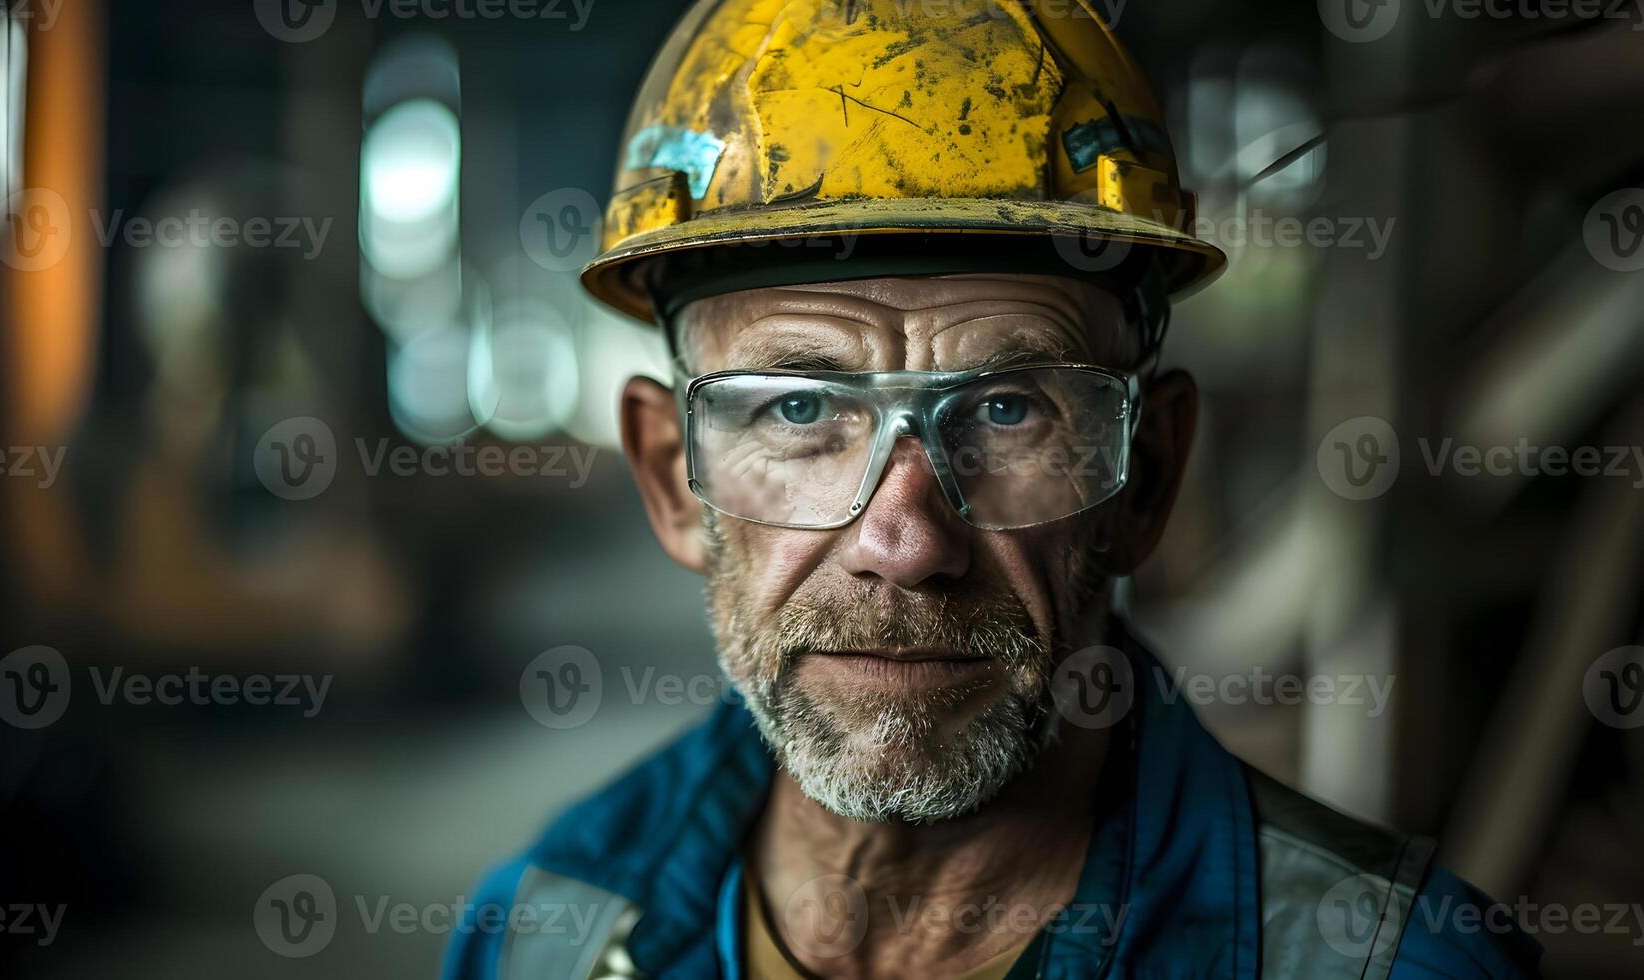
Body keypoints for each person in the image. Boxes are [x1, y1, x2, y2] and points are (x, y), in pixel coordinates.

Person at [447, 1, 1543, 976]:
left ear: (1145, 477)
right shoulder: (549, 925)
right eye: (797, 408)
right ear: (671, 480)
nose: (906, 540)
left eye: (1011, 407)